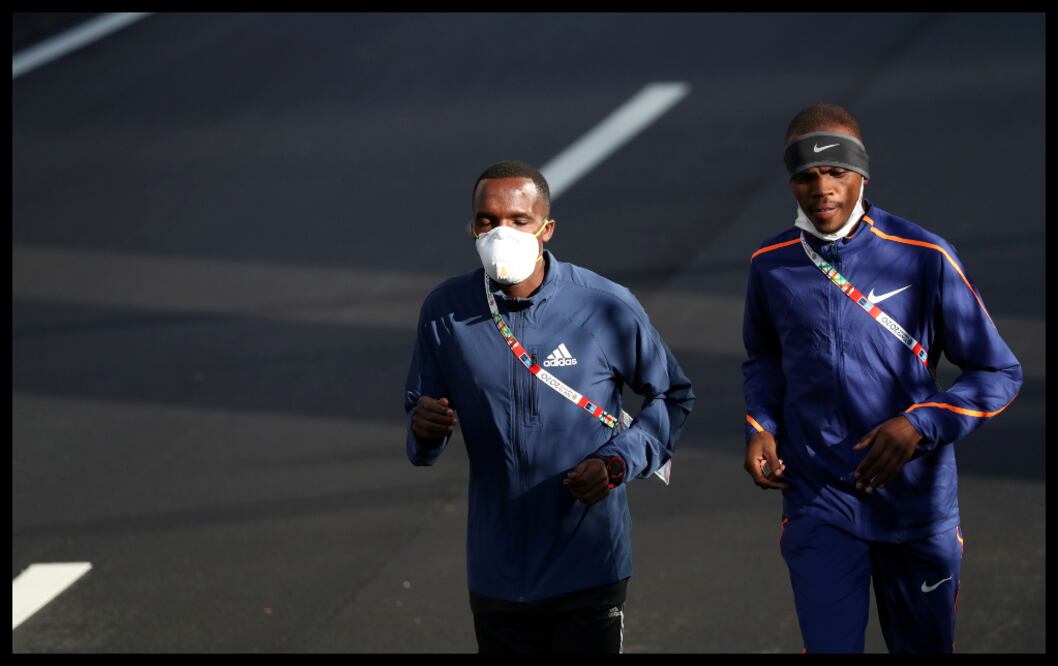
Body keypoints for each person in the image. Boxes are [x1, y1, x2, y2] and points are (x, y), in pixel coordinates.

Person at [741, 103, 1022, 653]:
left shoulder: (924, 257)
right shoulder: (770, 264)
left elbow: (998, 371)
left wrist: (921, 425)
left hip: (916, 507)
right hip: (818, 500)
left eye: (836, 172)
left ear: (862, 173)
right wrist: (761, 425)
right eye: (806, 176)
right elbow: (764, 360)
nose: (822, 188)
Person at [405, 160, 695, 653]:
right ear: (472, 227)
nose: (501, 232)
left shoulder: (604, 305)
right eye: (487, 221)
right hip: (498, 570)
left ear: (546, 228)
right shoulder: (445, 311)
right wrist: (425, 429)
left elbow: (672, 395)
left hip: (587, 563)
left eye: (518, 220)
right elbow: (421, 435)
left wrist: (616, 463)